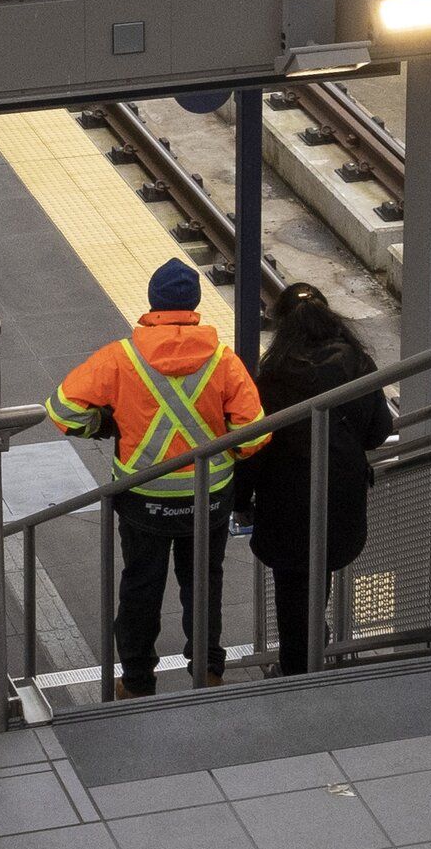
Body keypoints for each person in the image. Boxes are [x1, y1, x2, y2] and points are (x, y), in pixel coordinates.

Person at [46, 258, 266, 696]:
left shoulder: (120, 358)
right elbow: (254, 430)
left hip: (142, 499)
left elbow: (62, 410)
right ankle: (206, 670)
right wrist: (228, 448)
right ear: (195, 305)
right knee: (204, 583)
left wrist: (105, 426)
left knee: (141, 587)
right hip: (210, 499)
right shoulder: (223, 361)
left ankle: (136, 680)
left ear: (152, 304)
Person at [233, 282, 393, 676]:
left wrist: (240, 499)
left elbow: (252, 446)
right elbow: (377, 431)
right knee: (318, 574)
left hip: (285, 504)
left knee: (291, 589)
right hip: (341, 502)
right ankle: (312, 647)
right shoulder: (357, 364)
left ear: (283, 326)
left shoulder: (271, 378)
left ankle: (297, 672)